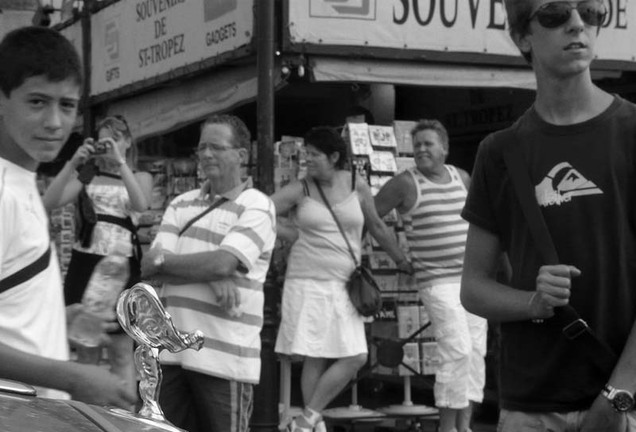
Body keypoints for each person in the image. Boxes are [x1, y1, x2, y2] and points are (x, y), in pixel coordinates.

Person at [460, 1, 636, 431]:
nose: (577, 24)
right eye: (555, 15)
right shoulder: (500, 152)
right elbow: (473, 287)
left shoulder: (632, 132)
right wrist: (532, 303)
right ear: (523, 36)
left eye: (590, 12)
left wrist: (619, 396)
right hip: (531, 406)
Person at [0, 26, 136, 408]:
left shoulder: (22, 181)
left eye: (67, 105)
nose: (55, 122)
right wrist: (73, 376)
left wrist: (54, 318)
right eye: (37, 102)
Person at [140, 114, 276, 432]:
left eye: (216, 147)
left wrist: (209, 268)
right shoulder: (180, 203)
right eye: (202, 148)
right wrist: (212, 274)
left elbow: (223, 263)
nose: (206, 155)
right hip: (171, 356)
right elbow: (150, 266)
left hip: (224, 357)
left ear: (242, 156)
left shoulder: (257, 205)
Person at [272, 126, 413, 431]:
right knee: (316, 355)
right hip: (306, 282)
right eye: (305, 153)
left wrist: (401, 260)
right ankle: (313, 423)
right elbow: (261, 211)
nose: (307, 160)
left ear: (334, 156)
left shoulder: (355, 184)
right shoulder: (301, 188)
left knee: (355, 355)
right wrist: (291, 234)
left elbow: (375, 225)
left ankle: (307, 419)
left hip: (345, 283)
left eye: (314, 154)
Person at [374, 119, 488, 432]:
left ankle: (464, 427)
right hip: (437, 282)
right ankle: (447, 427)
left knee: (476, 352)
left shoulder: (460, 176)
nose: (421, 149)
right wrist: (398, 257)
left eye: (428, 144)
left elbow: (480, 220)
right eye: (417, 145)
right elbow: (371, 216)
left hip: (473, 280)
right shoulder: (404, 183)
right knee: (458, 349)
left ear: (444, 149)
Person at [43, 114, 152, 395]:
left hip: (120, 266)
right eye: (105, 141)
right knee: (86, 346)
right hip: (86, 262)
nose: (110, 146)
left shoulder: (139, 175)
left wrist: (120, 162)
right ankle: (84, 414)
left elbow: (141, 203)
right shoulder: (90, 173)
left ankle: (124, 414)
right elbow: (53, 201)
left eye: (115, 139)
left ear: (127, 141)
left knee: (120, 349)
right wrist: (75, 162)